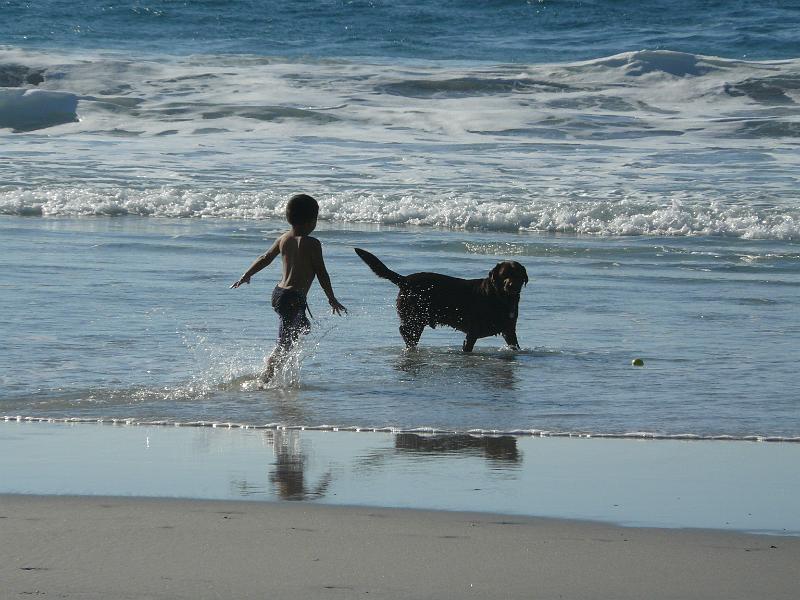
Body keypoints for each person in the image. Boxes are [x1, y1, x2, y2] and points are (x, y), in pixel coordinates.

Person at [231, 193, 347, 382]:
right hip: (294, 298)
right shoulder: (313, 243)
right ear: (312, 221)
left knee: (300, 329)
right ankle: (266, 377)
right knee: (285, 343)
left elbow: (264, 258)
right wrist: (331, 298)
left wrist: (247, 274)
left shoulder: (283, 238)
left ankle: (276, 372)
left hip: (279, 294)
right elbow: (321, 273)